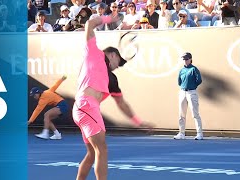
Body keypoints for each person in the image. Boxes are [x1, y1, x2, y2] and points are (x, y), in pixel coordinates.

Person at [72, 15, 152, 180]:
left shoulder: (112, 79)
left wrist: (138, 122)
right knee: (102, 149)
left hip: (85, 109)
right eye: (118, 62)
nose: (118, 67)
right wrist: (111, 18)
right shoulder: (93, 52)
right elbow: (89, 23)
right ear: (113, 55)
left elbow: (122, 104)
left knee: (93, 153)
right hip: (86, 106)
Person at [173, 52, 203, 140]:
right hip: (182, 92)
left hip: (192, 92)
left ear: (190, 59)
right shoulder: (181, 70)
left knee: (195, 114)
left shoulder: (194, 69)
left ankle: (199, 134)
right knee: (181, 114)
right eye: (183, 59)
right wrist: (184, 87)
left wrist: (193, 86)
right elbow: (179, 82)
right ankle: (181, 133)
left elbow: (199, 80)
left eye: (186, 59)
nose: (185, 61)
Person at [28, 76, 68, 140]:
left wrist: (30, 121)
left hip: (62, 105)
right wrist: (61, 79)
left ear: (38, 93)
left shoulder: (43, 99)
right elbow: (55, 85)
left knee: (46, 115)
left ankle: (45, 133)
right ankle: (57, 135)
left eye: (34, 95)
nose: (34, 97)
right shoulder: (47, 91)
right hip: (62, 105)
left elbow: (37, 110)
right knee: (47, 119)